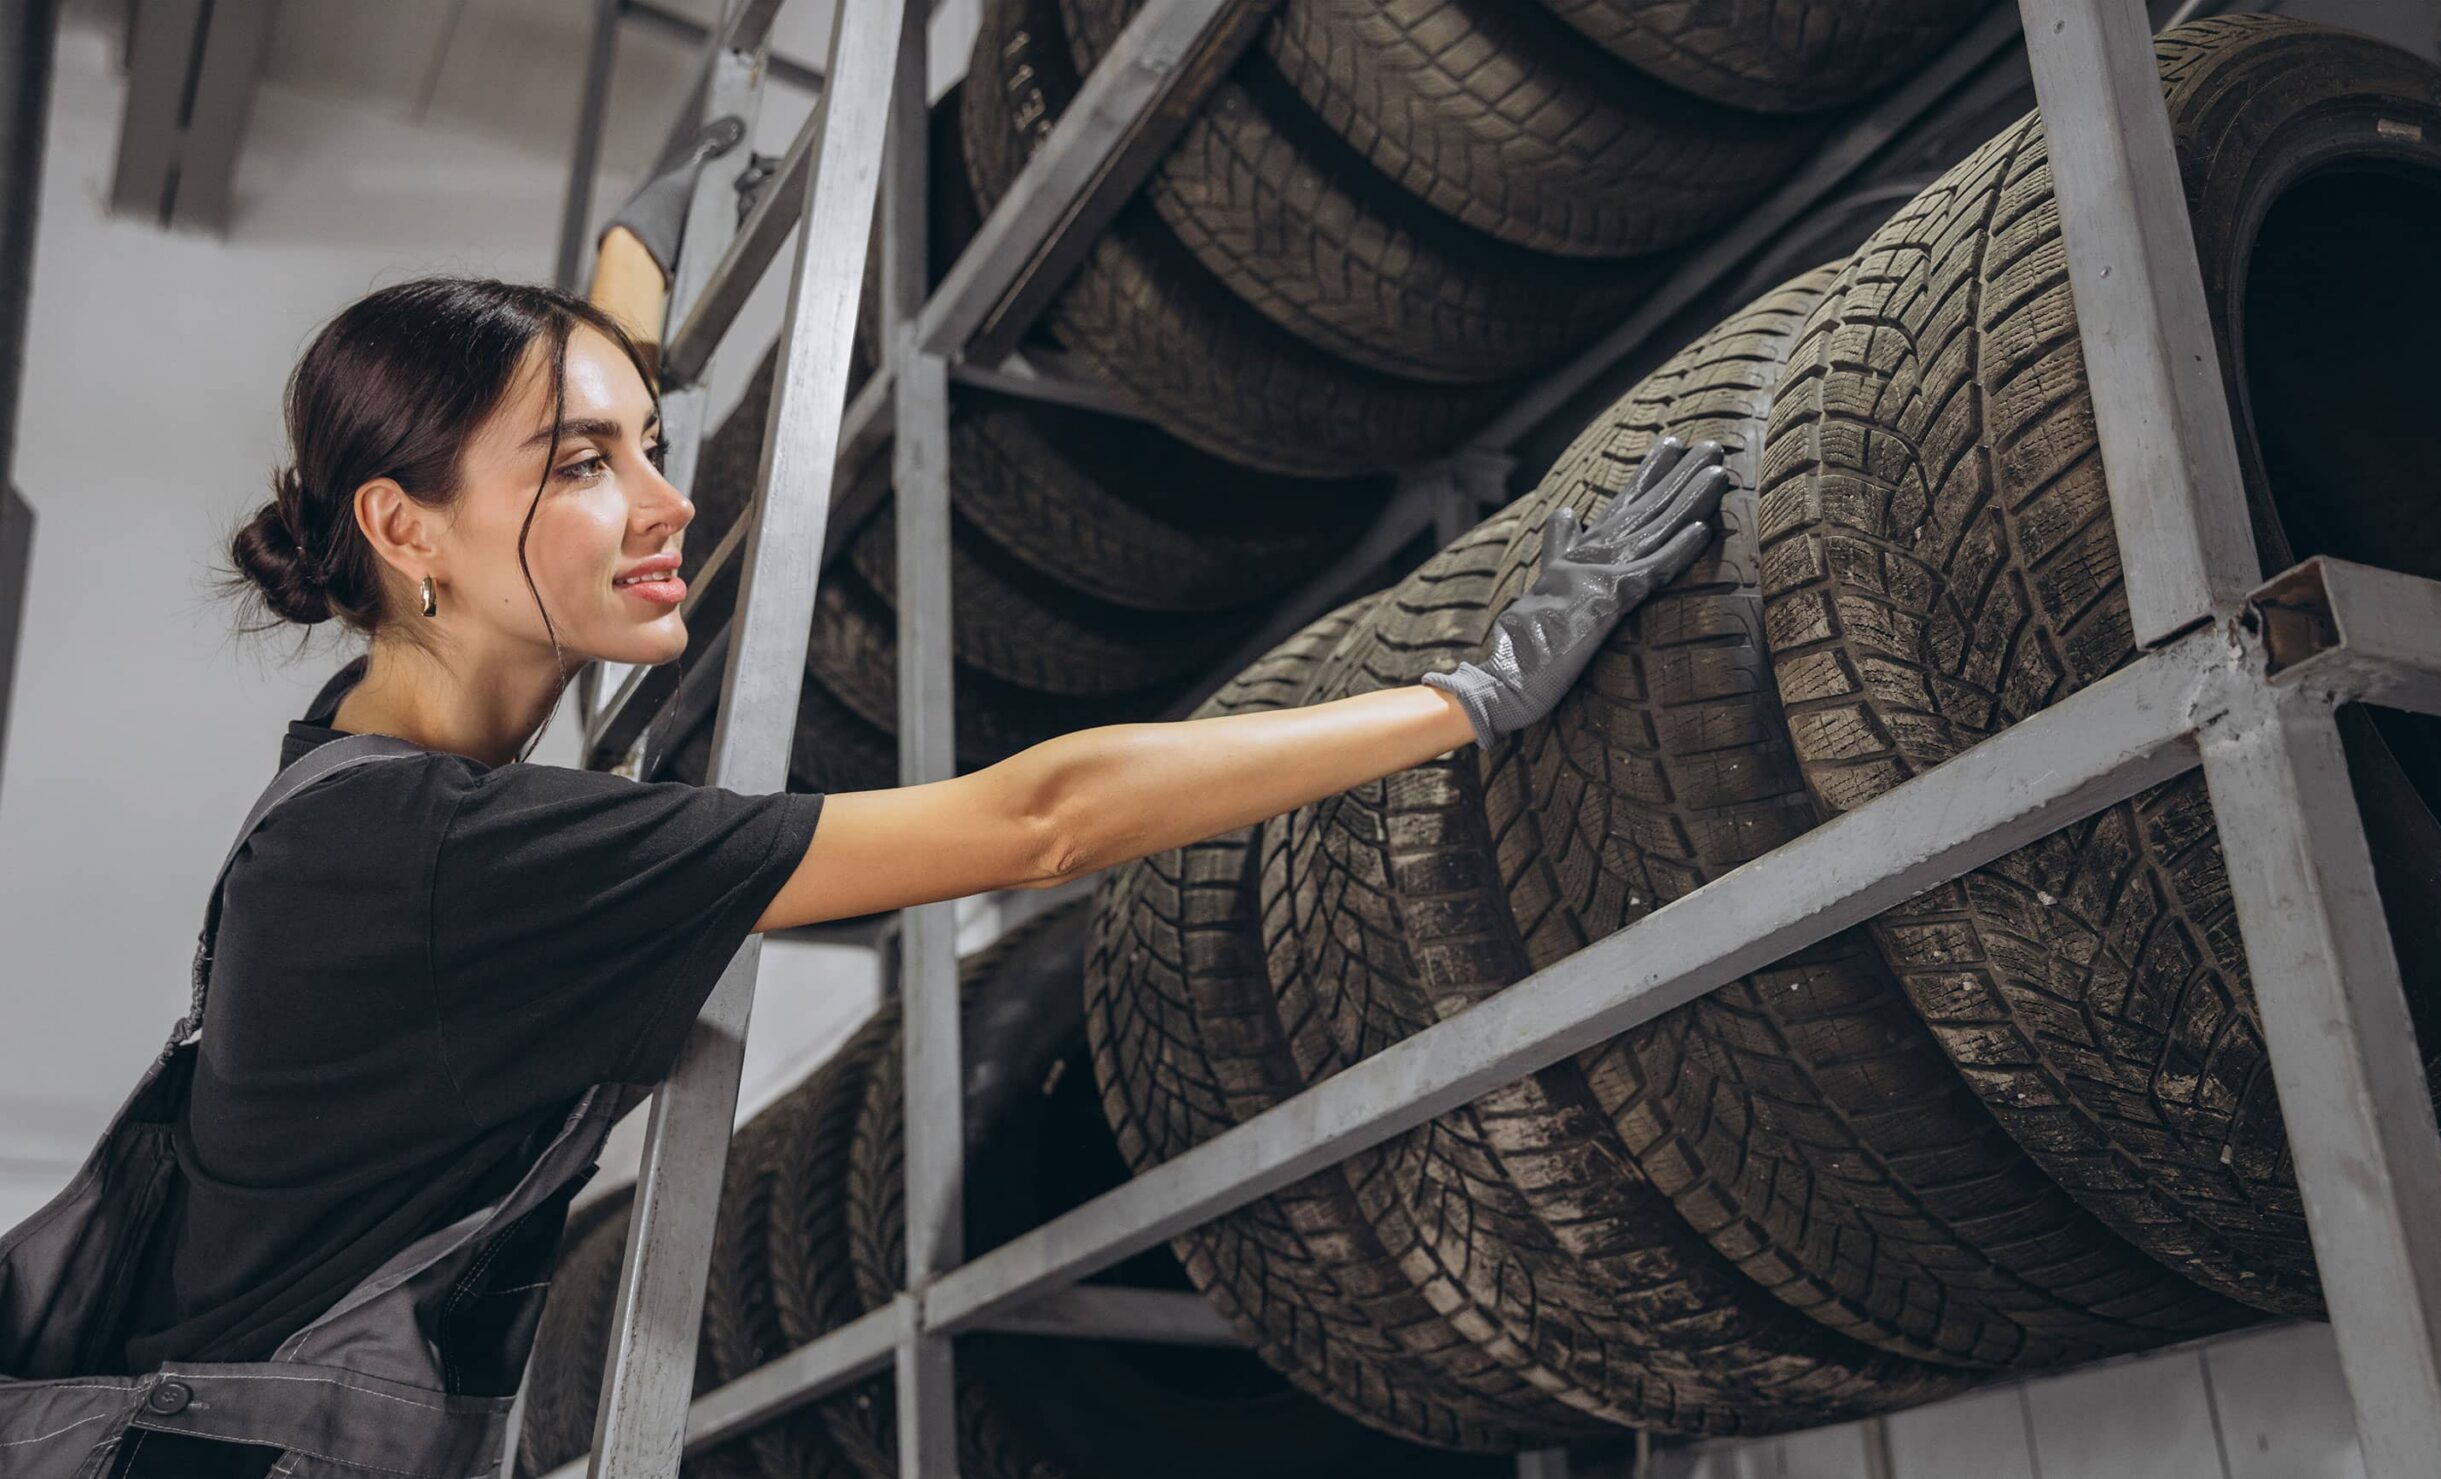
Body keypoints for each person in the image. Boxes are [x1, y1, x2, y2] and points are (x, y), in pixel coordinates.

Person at [0, 129, 1729, 1479]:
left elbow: (573, 393)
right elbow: (1036, 823)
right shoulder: (448, 859)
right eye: (590, 467)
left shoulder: (348, 771)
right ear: (402, 530)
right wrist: (1463, 695)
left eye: (647, 440)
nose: (665, 501)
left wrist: (645, 238)